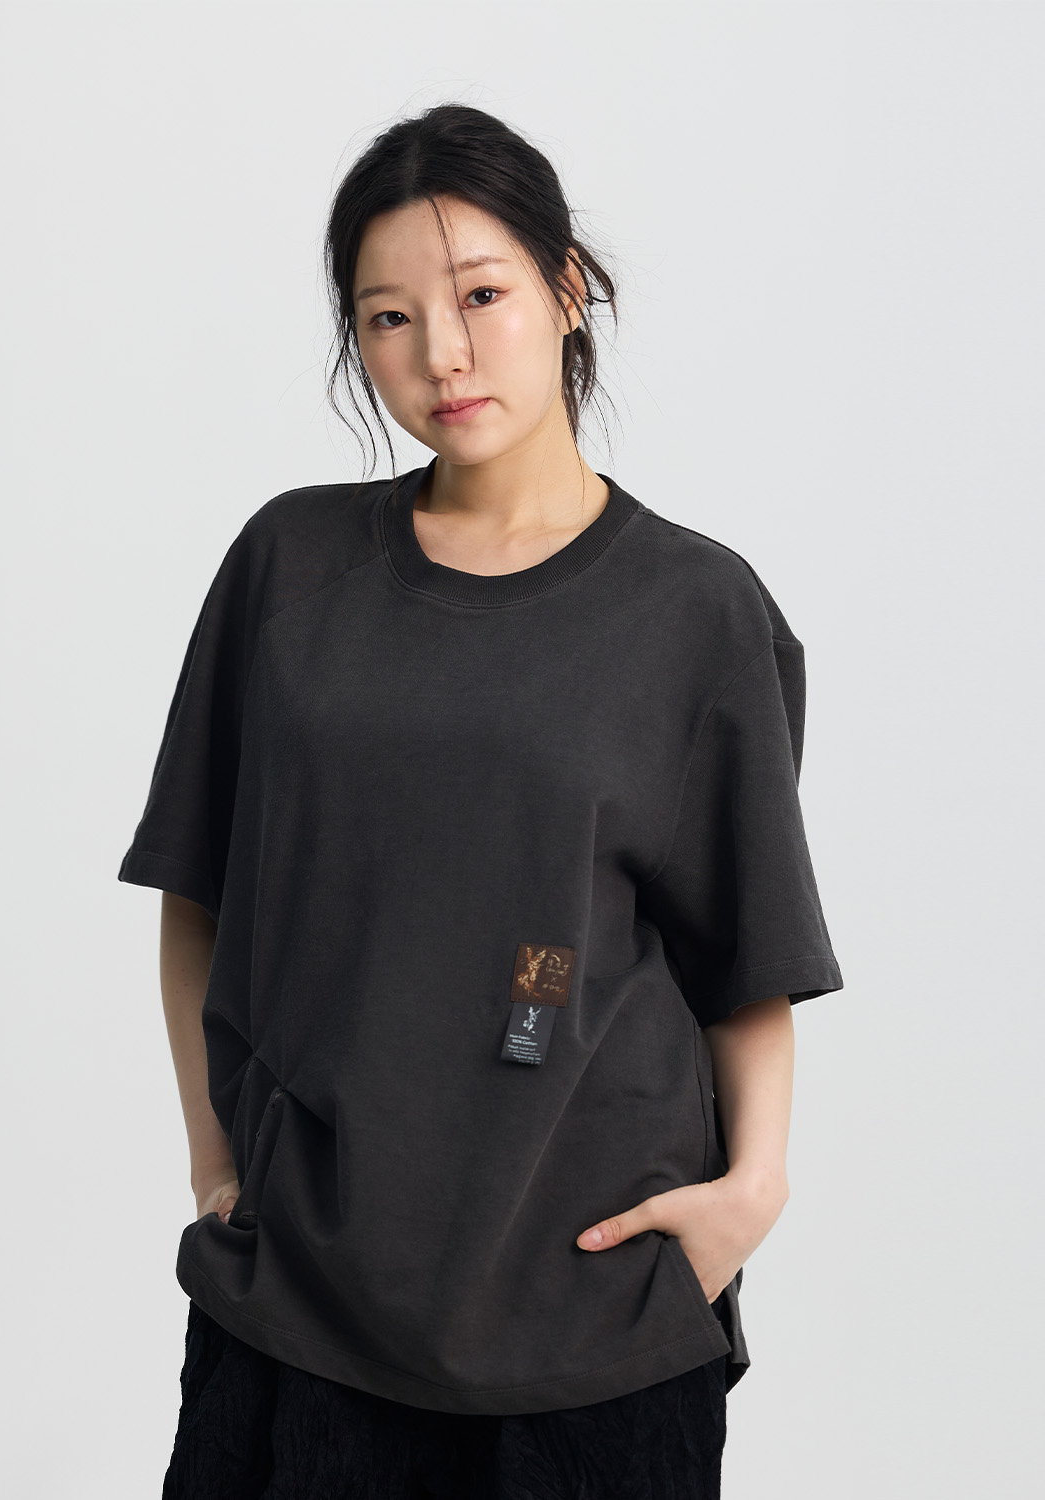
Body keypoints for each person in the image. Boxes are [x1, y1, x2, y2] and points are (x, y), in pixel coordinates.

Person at [117, 102, 845, 1500]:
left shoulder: (696, 610)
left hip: (593, 1325)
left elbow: (745, 954)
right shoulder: (291, 568)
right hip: (300, 1302)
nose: (440, 354)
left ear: (568, 287)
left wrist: (751, 1191)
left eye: (481, 296)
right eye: (387, 318)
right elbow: (197, 887)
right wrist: (215, 1158)